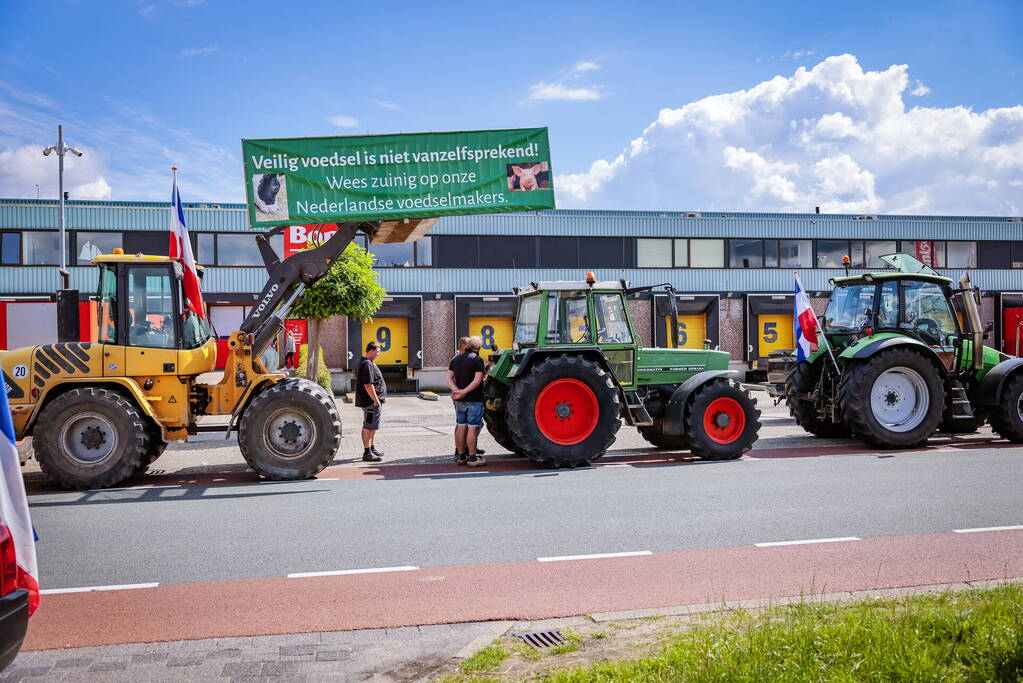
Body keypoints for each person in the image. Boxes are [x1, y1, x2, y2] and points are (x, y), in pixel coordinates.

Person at [447, 335, 487, 466]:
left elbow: (448, 377)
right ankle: (473, 458)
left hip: (459, 400)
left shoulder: (456, 359)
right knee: (472, 428)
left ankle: (461, 456)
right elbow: (477, 381)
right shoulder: (478, 360)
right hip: (474, 399)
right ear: (478, 347)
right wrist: (464, 391)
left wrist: (456, 391)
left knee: (461, 425)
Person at [356, 340, 386, 462]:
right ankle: (367, 453)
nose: (379, 354)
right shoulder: (367, 364)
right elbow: (368, 384)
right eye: (377, 352)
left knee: (373, 426)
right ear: (371, 350)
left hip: (373, 402)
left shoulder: (367, 362)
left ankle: (372, 448)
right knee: (368, 426)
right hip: (370, 403)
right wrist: (376, 400)